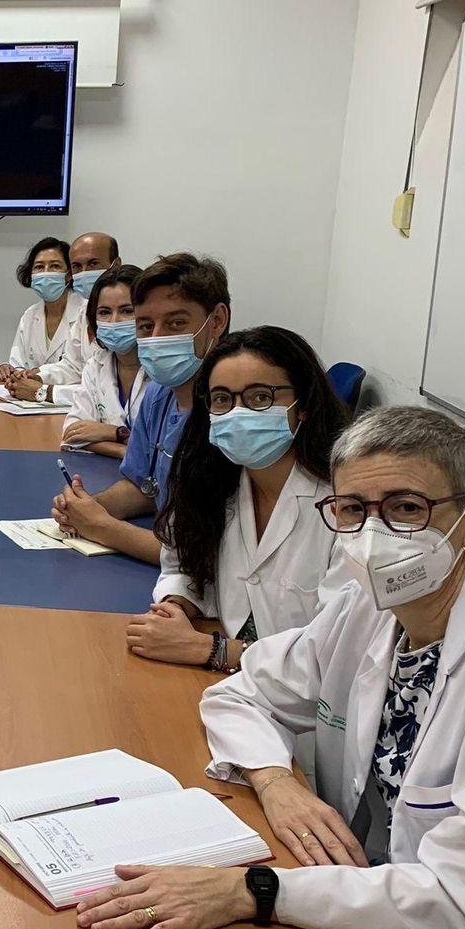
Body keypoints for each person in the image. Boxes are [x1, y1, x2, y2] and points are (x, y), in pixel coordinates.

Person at [74, 407, 465, 929]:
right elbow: (238, 691)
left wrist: (251, 891)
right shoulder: (365, 608)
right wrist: (277, 782)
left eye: (406, 508)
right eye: (353, 510)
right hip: (357, 921)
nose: (373, 536)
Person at [127, 327, 352, 671]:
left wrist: (212, 650)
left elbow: (334, 653)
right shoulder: (213, 482)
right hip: (237, 687)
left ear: (303, 405)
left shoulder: (346, 508)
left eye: (260, 397)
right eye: (222, 399)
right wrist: (177, 603)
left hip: (303, 709)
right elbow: (181, 564)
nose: (237, 413)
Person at [51, 252, 231, 565]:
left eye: (176, 323)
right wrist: (88, 506)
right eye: (146, 326)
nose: (157, 338)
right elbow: (144, 487)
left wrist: (102, 526)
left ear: (216, 320)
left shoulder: (230, 412)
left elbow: (199, 555)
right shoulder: (160, 394)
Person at [0, 231, 119, 404]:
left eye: (93, 264)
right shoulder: (85, 314)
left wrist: (44, 391)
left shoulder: (116, 320)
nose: (83, 273)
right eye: (77, 266)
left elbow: (105, 389)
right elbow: (73, 366)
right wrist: (35, 375)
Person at [60, 263, 147, 458]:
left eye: (126, 311)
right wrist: (123, 442)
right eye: (105, 312)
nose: (114, 321)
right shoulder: (96, 365)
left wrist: (108, 432)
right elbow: (72, 435)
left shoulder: (163, 370)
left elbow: (162, 447)